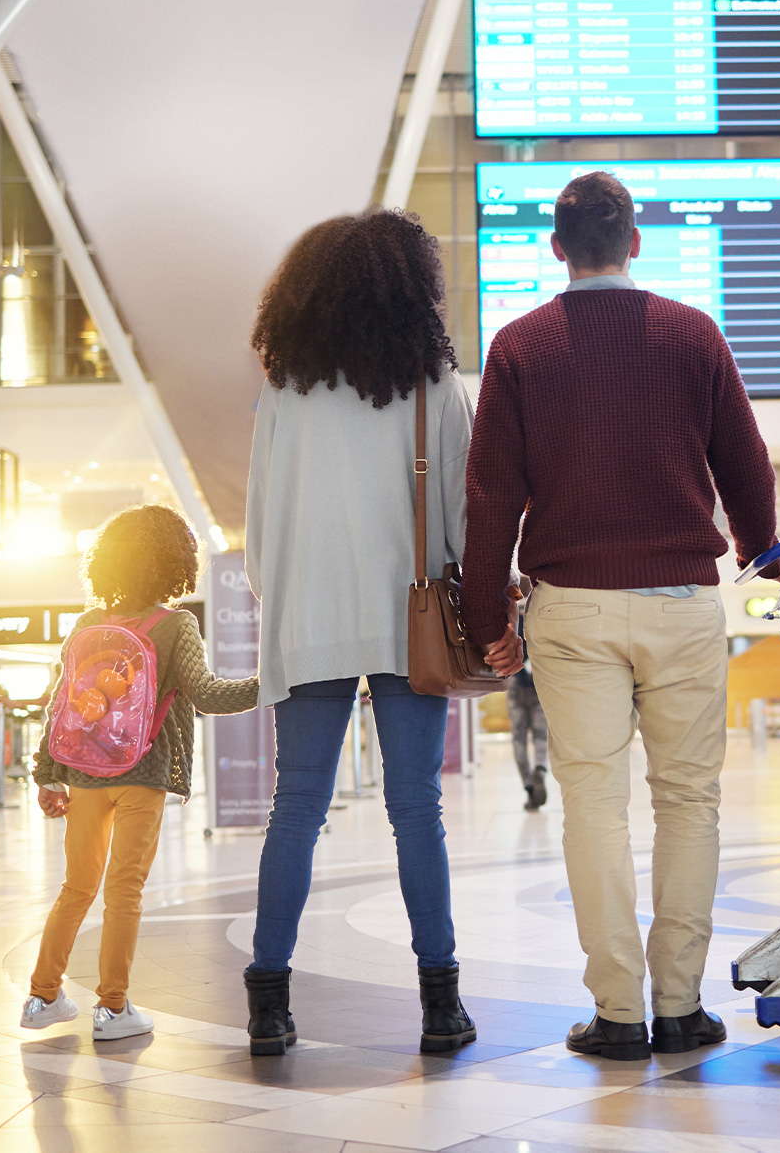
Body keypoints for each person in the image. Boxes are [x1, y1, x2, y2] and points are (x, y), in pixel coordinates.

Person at [461, 171, 780, 1061]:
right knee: (689, 802)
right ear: (634, 241)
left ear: (557, 249)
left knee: (593, 807)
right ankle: (680, 1006)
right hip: (682, 604)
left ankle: (616, 1015)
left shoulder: (520, 347)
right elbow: (744, 466)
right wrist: (760, 552)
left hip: (571, 611)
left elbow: (490, 495)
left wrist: (488, 613)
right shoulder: (692, 334)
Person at [243, 207, 500, 1057]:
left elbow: (259, 529)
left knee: (296, 806)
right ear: (411, 289)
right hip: (409, 622)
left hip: (308, 621)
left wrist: (284, 605)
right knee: (415, 809)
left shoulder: (283, 391)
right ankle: (439, 1005)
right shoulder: (431, 383)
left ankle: (270, 1006)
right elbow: (466, 518)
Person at [23, 504, 259, 1041]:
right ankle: (111, 1008)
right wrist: (271, 682)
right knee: (123, 892)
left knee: (75, 888)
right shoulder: (176, 624)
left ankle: (42, 997)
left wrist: (46, 774)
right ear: (175, 562)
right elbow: (208, 695)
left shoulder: (87, 624)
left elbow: (64, 705)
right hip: (142, 773)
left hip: (84, 775)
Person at [506, 618, 548, 810]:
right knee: (541, 735)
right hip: (539, 684)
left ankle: (529, 787)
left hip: (515, 685)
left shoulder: (510, 616)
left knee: (519, 739)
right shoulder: (540, 613)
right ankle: (540, 769)